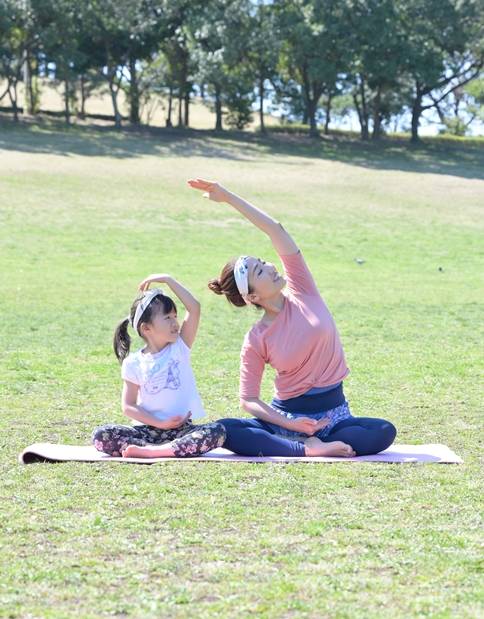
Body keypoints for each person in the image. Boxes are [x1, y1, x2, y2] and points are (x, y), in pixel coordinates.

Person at [188, 178, 396, 458]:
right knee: (226, 429)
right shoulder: (256, 338)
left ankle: (315, 443)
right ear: (252, 297)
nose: (271, 267)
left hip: (333, 419)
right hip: (285, 419)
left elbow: (276, 230)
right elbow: (248, 400)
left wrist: (228, 197)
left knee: (383, 431)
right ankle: (303, 448)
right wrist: (290, 423)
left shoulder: (303, 290)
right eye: (260, 272)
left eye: (264, 262)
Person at [91, 273, 226, 458]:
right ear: (147, 328)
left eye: (175, 316)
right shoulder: (133, 363)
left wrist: (168, 280)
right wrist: (161, 423)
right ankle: (153, 448)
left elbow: (194, 308)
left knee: (217, 431)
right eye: (167, 318)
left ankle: (153, 452)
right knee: (100, 435)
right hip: (146, 431)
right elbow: (128, 405)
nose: (175, 322)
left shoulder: (180, 346)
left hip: (182, 430)